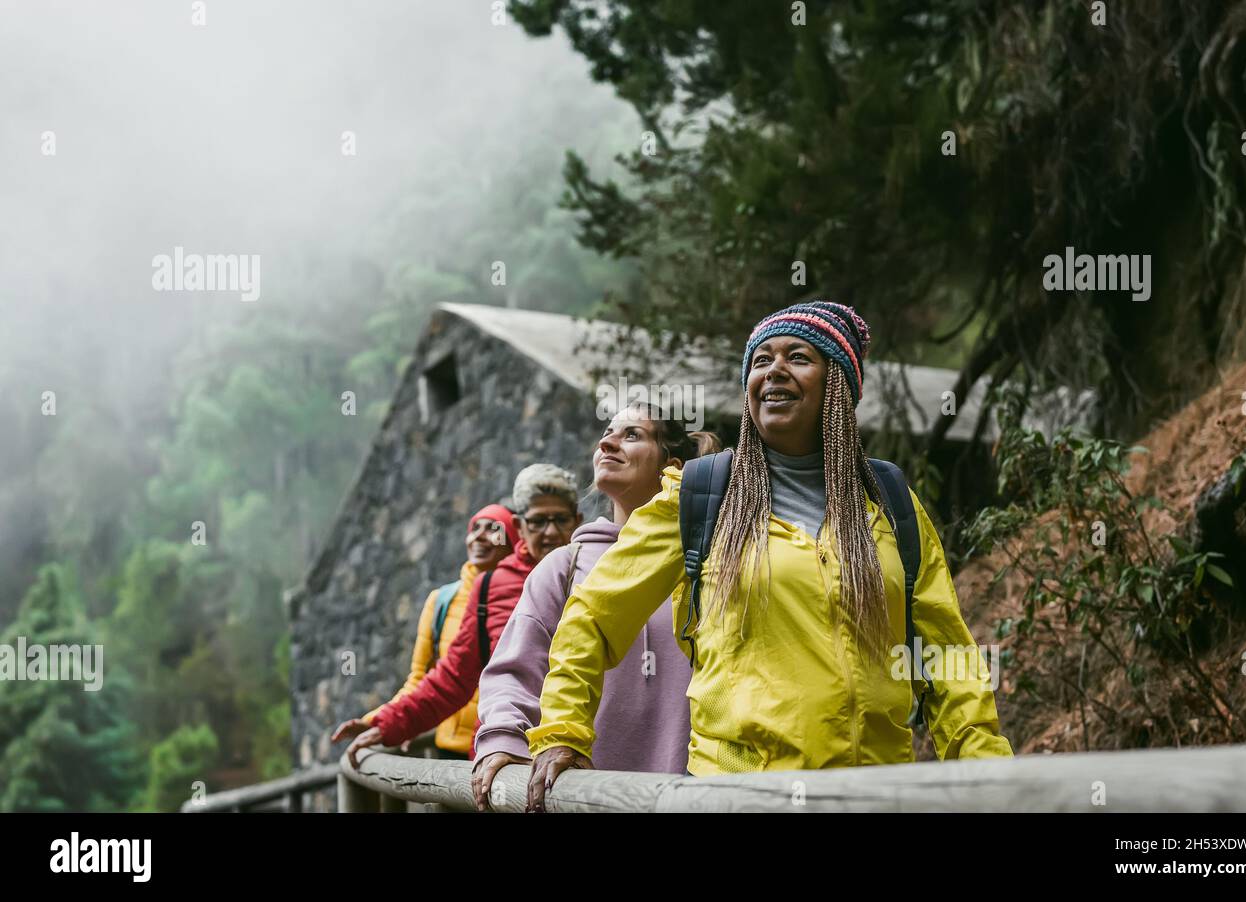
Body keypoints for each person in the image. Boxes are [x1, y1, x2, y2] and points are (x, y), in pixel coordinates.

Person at [525, 301, 1014, 811]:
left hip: (873, 796)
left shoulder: (890, 504)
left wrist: (989, 773)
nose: (774, 369)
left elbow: (945, 658)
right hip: (740, 798)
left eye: (798, 357)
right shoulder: (701, 494)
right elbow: (593, 617)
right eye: (760, 361)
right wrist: (563, 730)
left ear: (839, 384)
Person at [471, 405, 722, 810]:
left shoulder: (706, 559)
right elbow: (514, 671)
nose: (607, 443)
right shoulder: (565, 567)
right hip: (582, 796)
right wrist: (504, 740)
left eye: (632, 435)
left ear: (671, 467)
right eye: (607, 432)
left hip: (692, 796)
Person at [343, 463, 582, 768]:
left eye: (560, 519)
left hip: (580, 753)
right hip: (506, 758)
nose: (549, 532)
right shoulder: (490, 587)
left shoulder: (596, 573)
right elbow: (453, 678)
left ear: (577, 521)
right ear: (520, 528)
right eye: (537, 522)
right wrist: (387, 724)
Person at [329, 503, 518, 758]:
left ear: (514, 540)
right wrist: (379, 721)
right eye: (475, 528)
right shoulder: (441, 600)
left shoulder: (527, 594)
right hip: (450, 752)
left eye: (493, 529)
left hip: (502, 750)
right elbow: (421, 678)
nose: (480, 536)